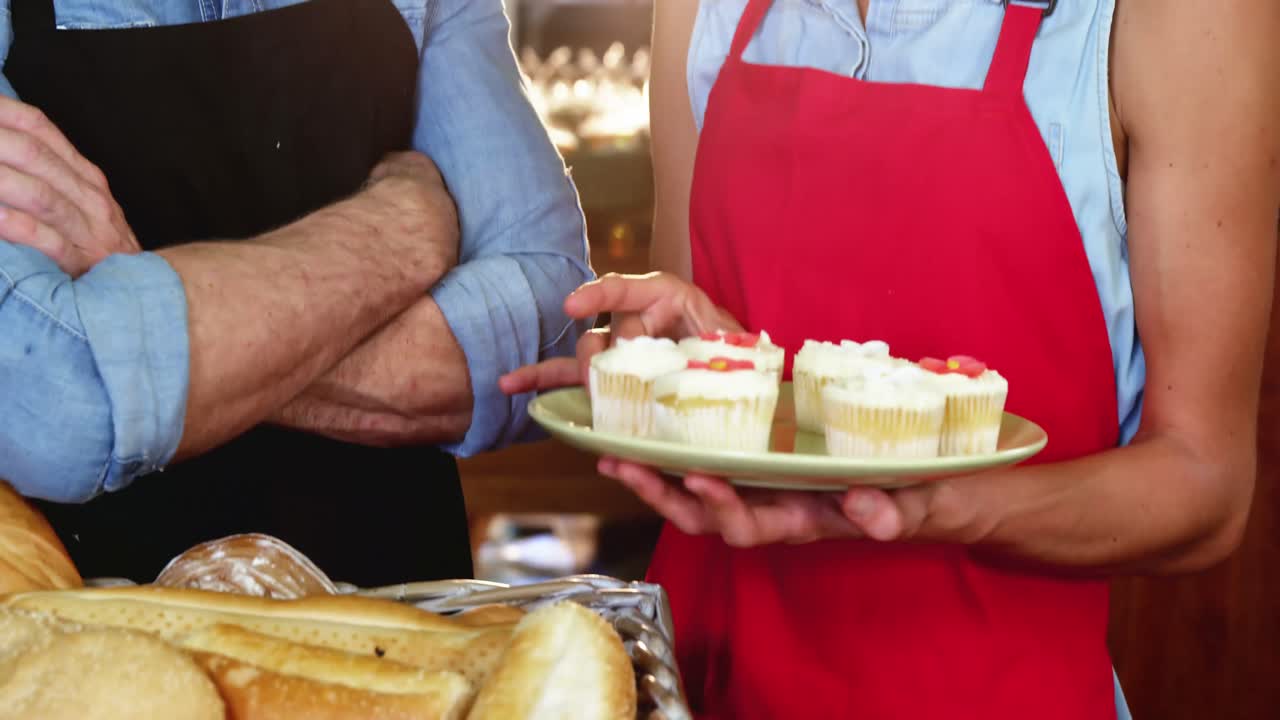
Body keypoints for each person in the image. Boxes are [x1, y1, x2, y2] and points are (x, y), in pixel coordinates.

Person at [502, 0, 1280, 718]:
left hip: (994, 691)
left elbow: (1202, 480)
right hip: (706, 676)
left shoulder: (1180, 19)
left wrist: (930, 510)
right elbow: (715, 386)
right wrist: (673, 371)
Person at [0, 0, 592, 587]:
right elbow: (50, 400)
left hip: (398, 627)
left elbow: (553, 325)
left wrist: (140, 312)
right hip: (87, 641)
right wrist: (397, 232)